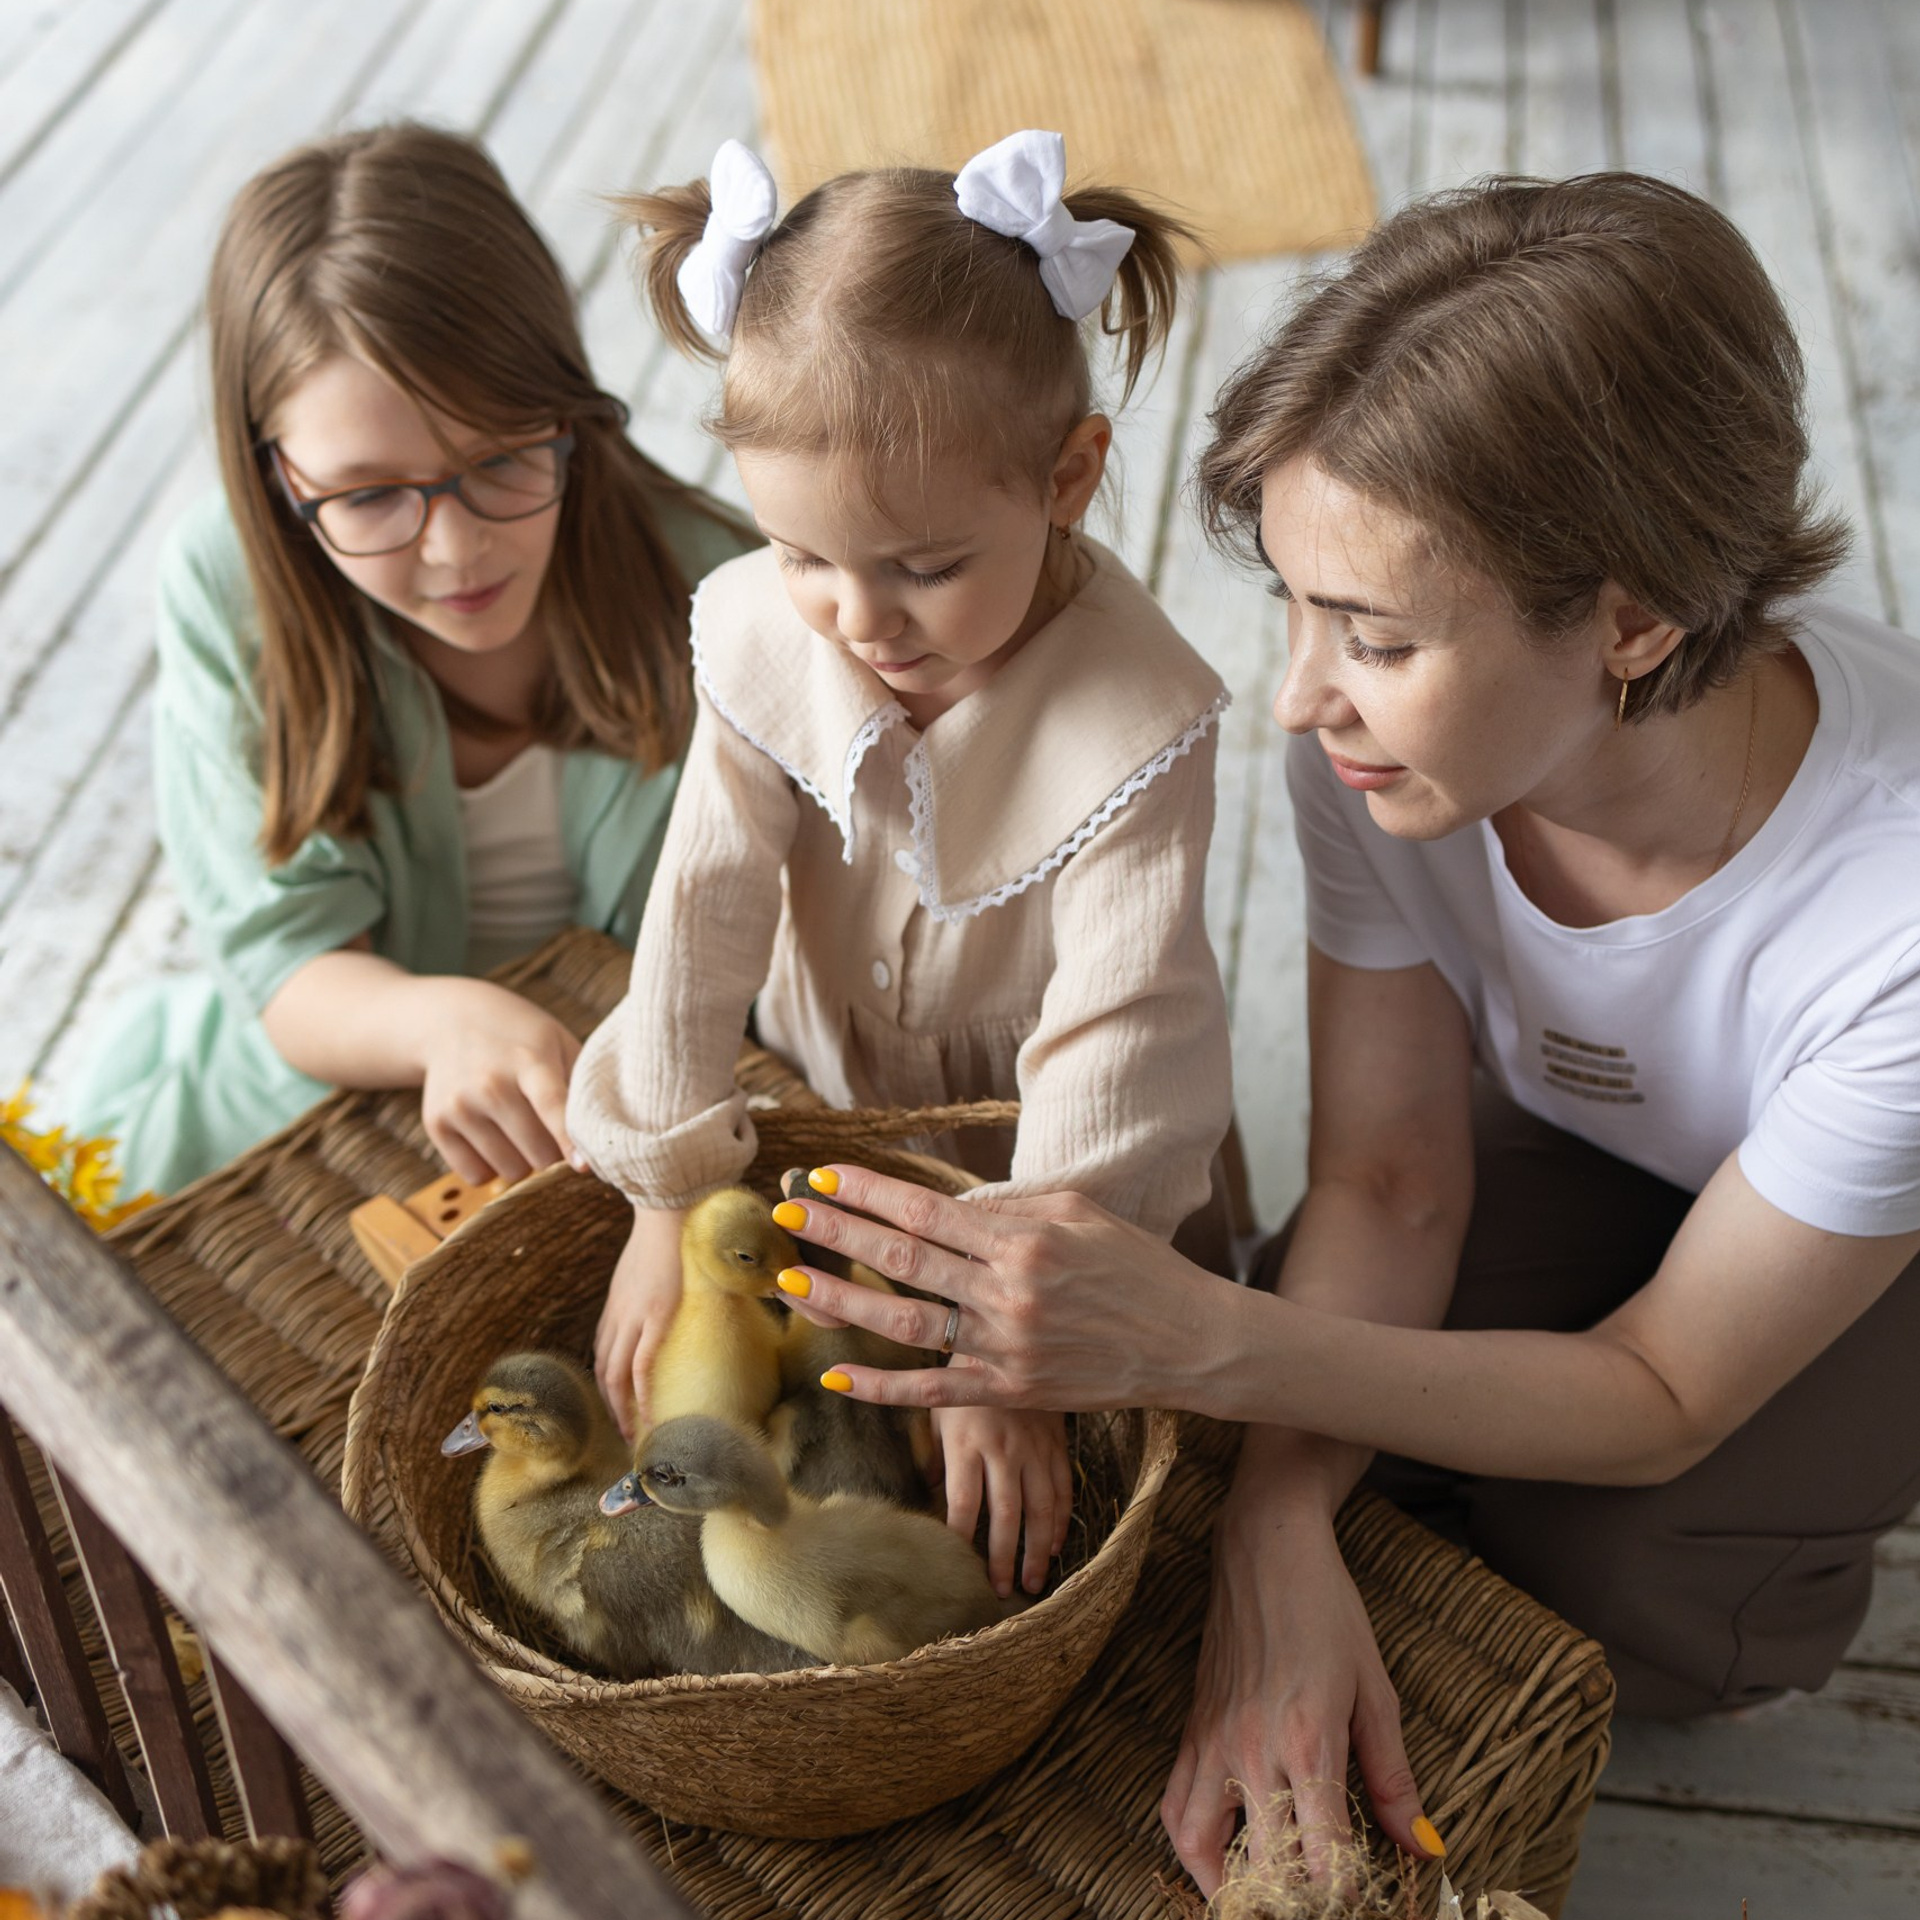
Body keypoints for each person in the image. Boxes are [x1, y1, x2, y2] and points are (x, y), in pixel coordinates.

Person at [749, 174, 1920, 1894]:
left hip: (1875, 1245)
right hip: (1619, 1140)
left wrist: (1192, 1342)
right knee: (1288, 1453)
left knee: (1621, 1558)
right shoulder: (1386, 753)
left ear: (1634, 620)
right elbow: (1387, 1175)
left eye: (1372, 636)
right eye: (1296, 606)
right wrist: (1278, 1526)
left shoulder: (1891, 922)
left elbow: (1666, 1391)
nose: (1300, 694)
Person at [566, 132, 1235, 1601]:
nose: (857, 616)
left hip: (1037, 1158)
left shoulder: (1140, 718)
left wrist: (1014, 1344)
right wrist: (669, 1197)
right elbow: (701, 915)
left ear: (1069, 479)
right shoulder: (767, 633)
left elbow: (1120, 1044)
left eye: (923, 567)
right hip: (824, 1095)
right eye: (803, 551)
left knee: (1077, 1463)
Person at [69, 123, 752, 1196]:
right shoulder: (225, 589)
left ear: (567, 407)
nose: (456, 547)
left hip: (616, 1146)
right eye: (372, 494)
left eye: (503, 458)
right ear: (278, 481)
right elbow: (284, 958)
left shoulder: (723, 599)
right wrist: (441, 1021)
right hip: (295, 1139)